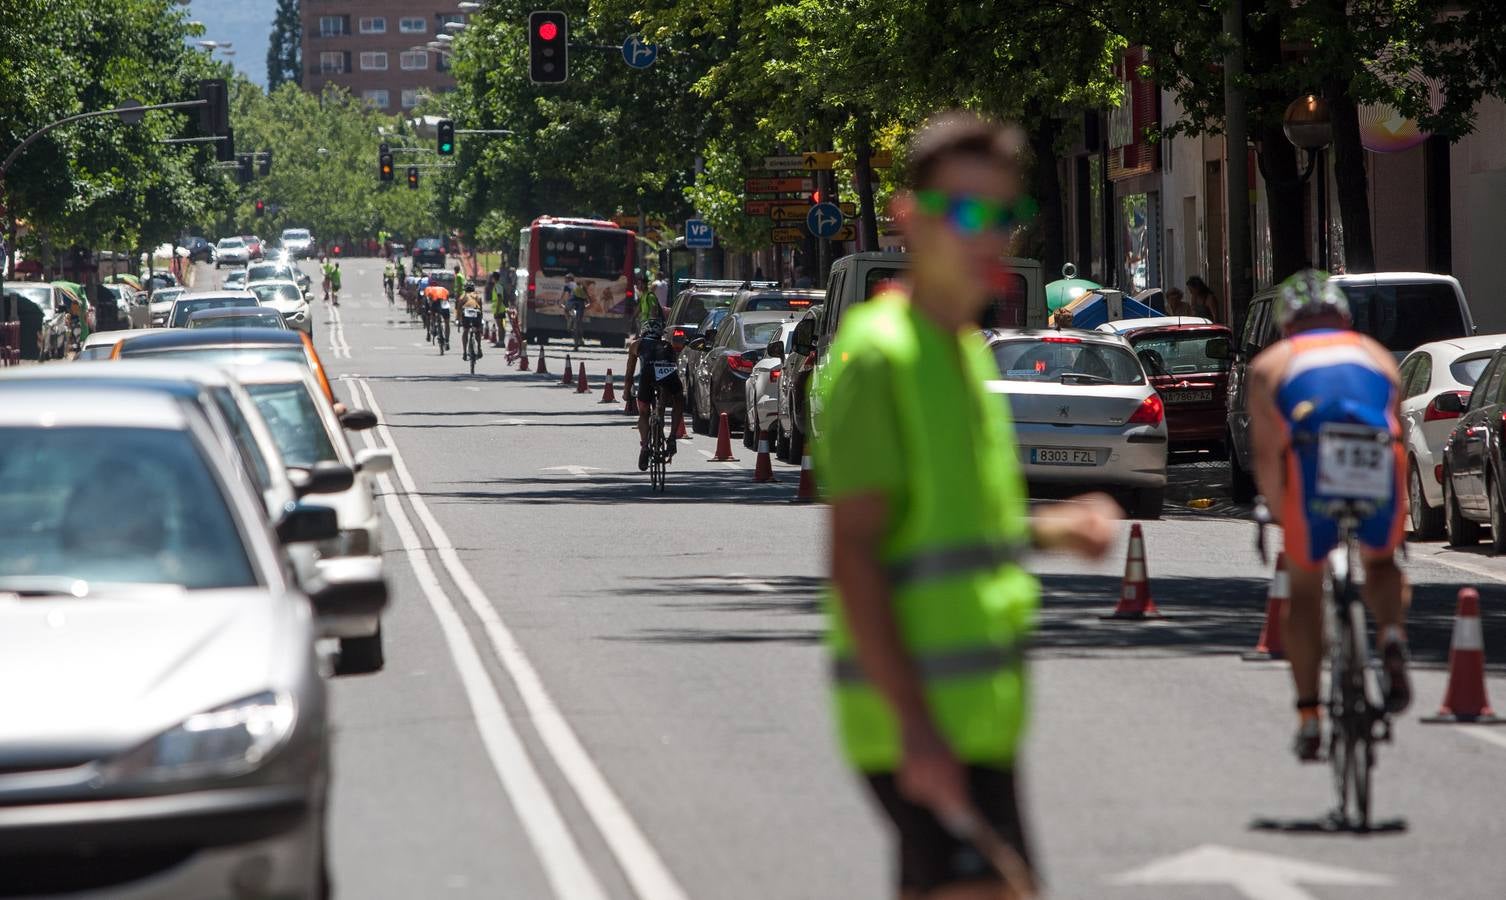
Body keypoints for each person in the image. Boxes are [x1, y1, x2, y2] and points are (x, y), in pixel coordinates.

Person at [815, 110, 1119, 900]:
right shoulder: (879, 357)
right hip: (917, 721)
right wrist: (915, 728)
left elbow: (960, 530)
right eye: (962, 211)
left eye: (1001, 214)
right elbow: (855, 559)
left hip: (980, 717)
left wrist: (1054, 527)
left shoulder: (961, 353)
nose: (984, 233)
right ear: (909, 218)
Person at [1246, 269, 1411, 761]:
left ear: (1287, 322)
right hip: (1379, 458)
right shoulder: (1377, 356)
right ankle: (1393, 637)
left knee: (1304, 590)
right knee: (1381, 564)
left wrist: (1276, 511)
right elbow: (1396, 425)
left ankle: (1309, 714)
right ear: (1342, 316)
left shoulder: (1271, 364)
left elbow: (1269, 456)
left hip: (1312, 465)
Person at [631, 320, 687, 471]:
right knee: (678, 399)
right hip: (667, 375)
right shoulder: (667, 345)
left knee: (643, 412)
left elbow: (629, 373)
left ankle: (644, 447)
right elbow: (674, 365)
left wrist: (626, 391)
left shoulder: (637, 344)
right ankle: (672, 438)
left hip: (647, 376)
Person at [457, 289, 485, 361]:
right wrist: (480, 322)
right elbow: (481, 310)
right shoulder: (477, 296)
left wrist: (458, 320)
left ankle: (464, 352)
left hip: (466, 314)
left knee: (466, 331)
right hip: (476, 313)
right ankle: (479, 348)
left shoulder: (463, 296)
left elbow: (459, 309)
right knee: (477, 331)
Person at [424, 280, 451, 349]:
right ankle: (447, 341)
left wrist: (430, 310)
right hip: (445, 304)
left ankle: (434, 328)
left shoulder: (429, 289)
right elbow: (448, 298)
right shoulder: (443, 289)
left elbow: (429, 301)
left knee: (431, 314)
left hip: (436, 304)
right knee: (447, 322)